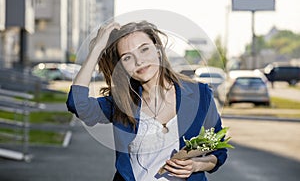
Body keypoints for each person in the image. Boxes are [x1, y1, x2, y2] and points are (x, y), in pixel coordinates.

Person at [66, 20, 227, 181]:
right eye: (127, 57)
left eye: (144, 49)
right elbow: (77, 104)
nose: (139, 61)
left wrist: (197, 165)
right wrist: (97, 49)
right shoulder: (121, 103)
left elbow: (218, 149)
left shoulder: (199, 94)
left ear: (157, 50)